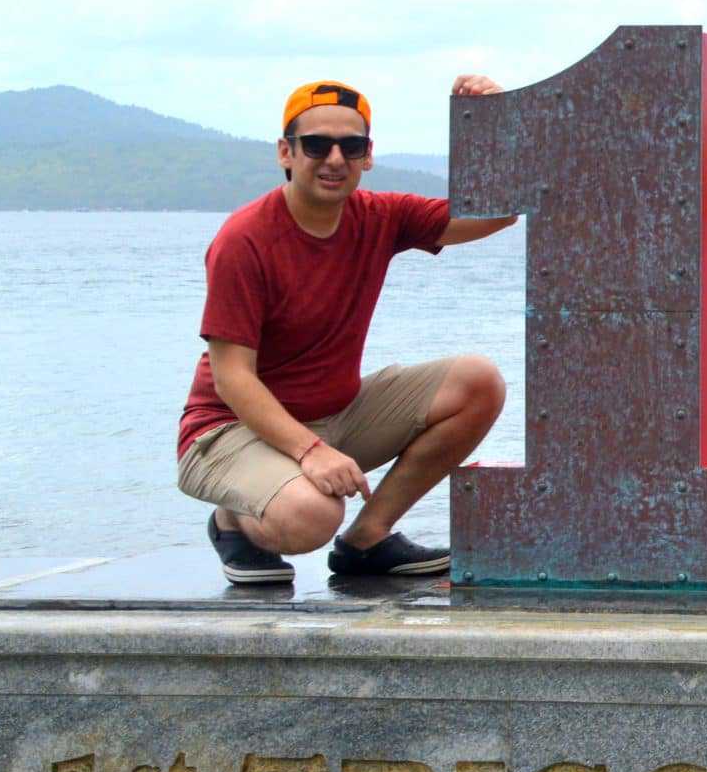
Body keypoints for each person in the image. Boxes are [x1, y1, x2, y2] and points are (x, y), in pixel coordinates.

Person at [178, 78, 519, 584]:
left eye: (350, 146)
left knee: (478, 382)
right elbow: (232, 379)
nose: (334, 158)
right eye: (316, 145)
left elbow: (499, 214)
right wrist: (311, 453)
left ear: (367, 156)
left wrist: (493, 126)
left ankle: (367, 540)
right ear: (285, 153)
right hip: (227, 431)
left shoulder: (380, 216)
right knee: (313, 515)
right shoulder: (244, 240)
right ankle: (233, 520)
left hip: (333, 416)